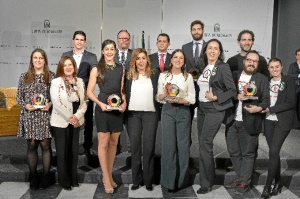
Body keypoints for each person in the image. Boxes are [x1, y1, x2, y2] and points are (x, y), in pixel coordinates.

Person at [225, 50, 269, 195]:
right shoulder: (233, 76)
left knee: (248, 153)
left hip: (250, 121)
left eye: (255, 61)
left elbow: (266, 101)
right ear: (244, 61)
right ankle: (242, 177)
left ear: (258, 64)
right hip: (232, 119)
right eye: (249, 60)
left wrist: (259, 107)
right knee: (233, 151)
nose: (251, 63)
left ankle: (244, 182)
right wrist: (235, 96)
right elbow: (226, 94)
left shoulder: (262, 79)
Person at [196, 39, 236, 194]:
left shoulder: (223, 67)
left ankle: (206, 183)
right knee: (202, 144)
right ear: (205, 50)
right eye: (210, 48)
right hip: (201, 109)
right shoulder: (203, 67)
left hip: (215, 109)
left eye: (216, 49)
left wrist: (217, 98)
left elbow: (232, 90)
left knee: (205, 143)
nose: (212, 51)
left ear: (220, 52)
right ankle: (205, 179)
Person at [87, 39, 126, 194]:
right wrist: (100, 103)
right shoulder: (97, 69)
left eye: (112, 49)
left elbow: (122, 90)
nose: (109, 52)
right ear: (102, 51)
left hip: (116, 109)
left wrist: (124, 103)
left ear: (115, 51)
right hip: (103, 108)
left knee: (114, 141)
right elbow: (89, 92)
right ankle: (106, 178)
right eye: (106, 49)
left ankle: (109, 175)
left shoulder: (120, 68)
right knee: (103, 142)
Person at [157, 49, 195, 192]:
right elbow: (158, 97)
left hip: (183, 112)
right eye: (175, 57)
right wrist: (164, 95)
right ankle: (169, 182)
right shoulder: (163, 76)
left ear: (184, 61)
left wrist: (180, 100)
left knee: (183, 147)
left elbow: (192, 98)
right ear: (171, 60)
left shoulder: (188, 77)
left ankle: (181, 181)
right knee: (168, 146)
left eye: (181, 58)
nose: (178, 60)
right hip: (168, 111)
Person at [16, 48, 56, 190]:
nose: (38, 60)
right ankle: (33, 176)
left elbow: (56, 97)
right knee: (32, 146)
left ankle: (45, 176)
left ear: (45, 60)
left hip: (45, 116)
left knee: (46, 146)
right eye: (35, 58)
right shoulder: (24, 77)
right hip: (30, 116)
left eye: (41, 58)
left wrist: (50, 104)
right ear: (31, 60)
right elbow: (18, 97)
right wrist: (26, 105)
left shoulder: (51, 76)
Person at [260, 58, 298, 198]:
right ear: (269, 69)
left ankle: (267, 186)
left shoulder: (289, 81)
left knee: (274, 150)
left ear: (281, 67)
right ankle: (278, 182)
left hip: (283, 121)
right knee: (273, 153)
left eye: (277, 66)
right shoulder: (266, 82)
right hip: (269, 121)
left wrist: (271, 108)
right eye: (272, 67)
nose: (274, 69)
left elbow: (291, 103)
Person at [50, 56, 87, 190]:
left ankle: (73, 178)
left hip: (75, 121)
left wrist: (76, 117)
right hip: (61, 121)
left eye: (70, 64)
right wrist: (70, 117)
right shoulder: (56, 82)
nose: (68, 67)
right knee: (62, 152)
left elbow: (84, 102)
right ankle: (64, 180)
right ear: (61, 67)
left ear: (74, 66)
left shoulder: (80, 81)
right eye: (65, 65)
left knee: (73, 151)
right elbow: (56, 103)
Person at [125, 48, 160, 191]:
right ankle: (136, 180)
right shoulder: (129, 76)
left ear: (147, 60)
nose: (141, 61)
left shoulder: (155, 74)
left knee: (149, 147)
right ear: (134, 61)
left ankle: (148, 180)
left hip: (150, 115)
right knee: (135, 148)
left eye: (143, 58)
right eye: (138, 58)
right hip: (133, 115)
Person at [62, 31, 98, 159]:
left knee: (88, 120)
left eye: (82, 40)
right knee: (69, 118)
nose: (79, 42)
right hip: (68, 94)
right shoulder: (65, 55)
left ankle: (87, 146)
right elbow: (61, 73)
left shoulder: (92, 57)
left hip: (86, 93)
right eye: (77, 39)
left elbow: (94, 74)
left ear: (85, 42)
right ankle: (69, 146)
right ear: (73, 41)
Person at [182, 20, 207, 143]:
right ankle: (187, 142)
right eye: (194, 29)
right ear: (191, 31)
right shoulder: (185, 47)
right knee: (187, 118)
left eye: (199, 29)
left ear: (203, 30)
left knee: (203, 119)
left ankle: (203, 142)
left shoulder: (209, 47)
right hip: (189, 88)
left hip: (204, 88)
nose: (196, 31)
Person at [114, 29, 132, 153]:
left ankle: (132, 147)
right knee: (116, 121)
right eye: (121, 38)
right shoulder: (110, 54)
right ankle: (116, 146)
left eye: (126, 39)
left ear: (129, 41)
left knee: (131, 121)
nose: (123, 41)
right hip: (114, 92)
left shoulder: (135, 54)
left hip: (131, 92)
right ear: (117, 40)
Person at [149, 33, 172, 120]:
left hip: (168, 95)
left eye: (164, 41)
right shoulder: (149, 58)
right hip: (153, 94)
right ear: (156, 43)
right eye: (159, 41)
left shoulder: (173, 58)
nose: (161, 43)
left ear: (168, 44)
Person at [287, 49, 300, 125]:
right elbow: (289, 75)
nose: (299, 56)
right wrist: (298, 75)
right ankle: (295, 122)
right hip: (295, 88)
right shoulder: (292, 65)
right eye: (298, 54)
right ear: (296, 56)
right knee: (295, 105)